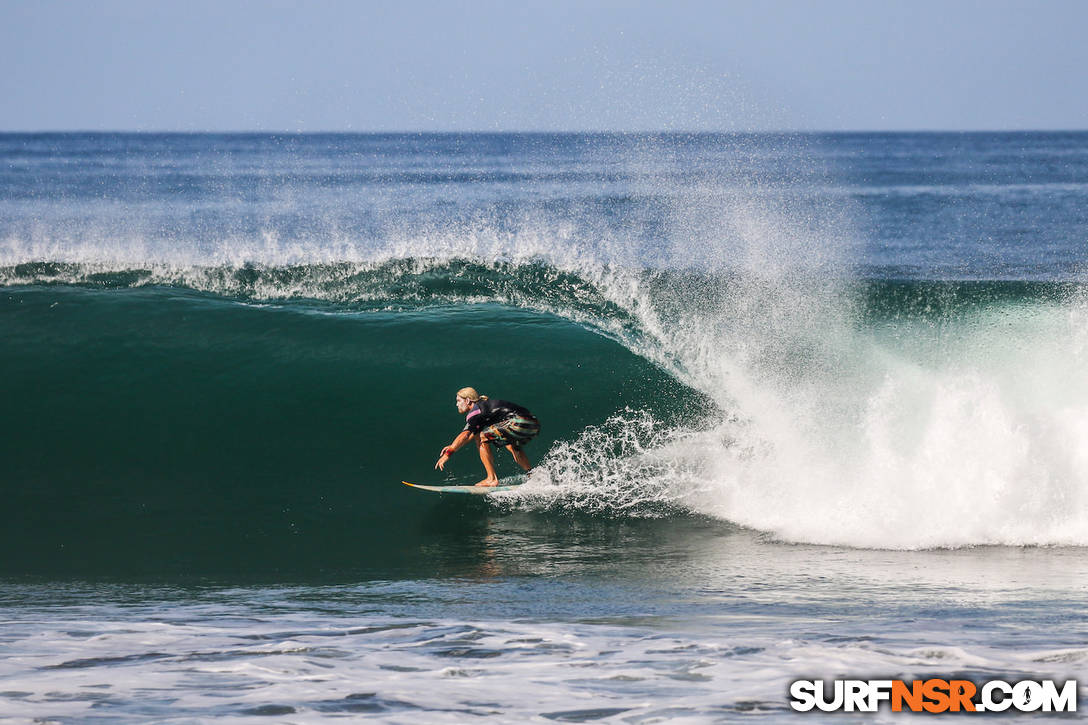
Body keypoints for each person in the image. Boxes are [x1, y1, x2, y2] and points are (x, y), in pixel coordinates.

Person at [435, 387, 540, 486]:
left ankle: (491, 479)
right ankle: (533, 476)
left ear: (467, 401)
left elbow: (466, 435)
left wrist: (448, 454)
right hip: (532, 423)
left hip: (518, 422)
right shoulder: (483, 407)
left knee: (482, 437)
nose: (456, 404)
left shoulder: (475, 411)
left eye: (458, 401)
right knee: (511, 446)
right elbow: (471, 434)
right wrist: (453, 445)